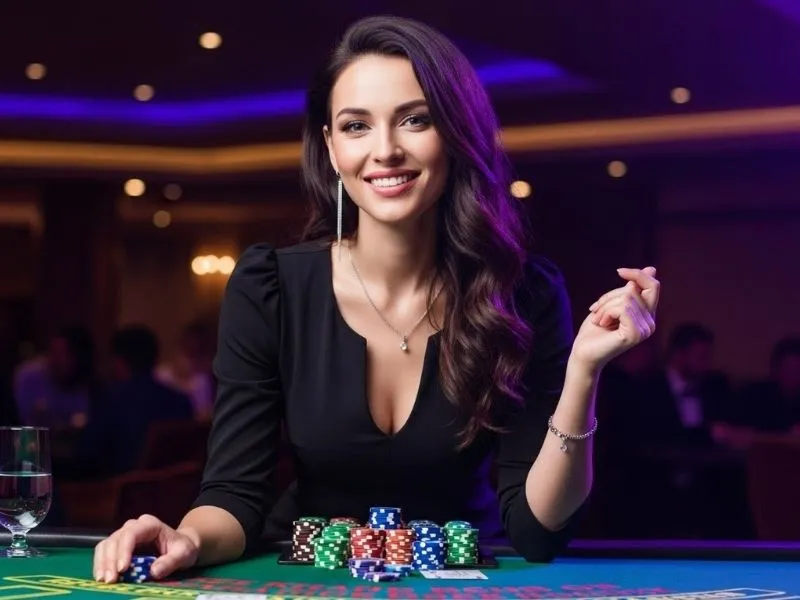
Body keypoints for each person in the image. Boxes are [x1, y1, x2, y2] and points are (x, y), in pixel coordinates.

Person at [92, 15, 659, 583]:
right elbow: (236, 495)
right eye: (356, 126)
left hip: (468, 584)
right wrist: (186, 536)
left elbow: (538, 531)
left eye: (415, 120)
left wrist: (584, 372)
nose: (385, 150)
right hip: (305, 578)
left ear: (457, 133)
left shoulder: (522, 293)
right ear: (331, 148)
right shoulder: (271, 287)